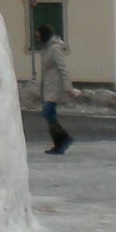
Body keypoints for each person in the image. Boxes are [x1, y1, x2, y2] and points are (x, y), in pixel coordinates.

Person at [34, 24, 72, 154]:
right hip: (49, 87)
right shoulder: (46, 50)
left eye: (38, 36)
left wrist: (68, 87)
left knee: (47, 112)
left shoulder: (55, 49)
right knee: (50, 114)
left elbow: (63, 69)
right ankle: (59, 143)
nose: (37, 39)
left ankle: (63, 139)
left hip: (56, 87)